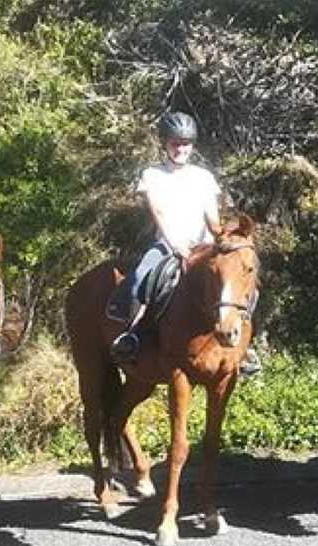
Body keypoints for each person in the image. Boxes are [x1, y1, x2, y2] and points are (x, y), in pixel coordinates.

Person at [108, 111, 261, 376]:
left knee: (240, 282)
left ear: (192, 145)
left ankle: (244, 346)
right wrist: (174, 242)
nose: (180, 149)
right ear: (165, 144)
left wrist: (222, 236)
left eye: (185, 143)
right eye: (175, 143)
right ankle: (132, 335)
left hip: (203, 245)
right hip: (168, 243)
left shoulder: (203, 177)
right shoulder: (152, 175)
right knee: (140, 278)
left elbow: (212, 218)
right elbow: (158, 213)